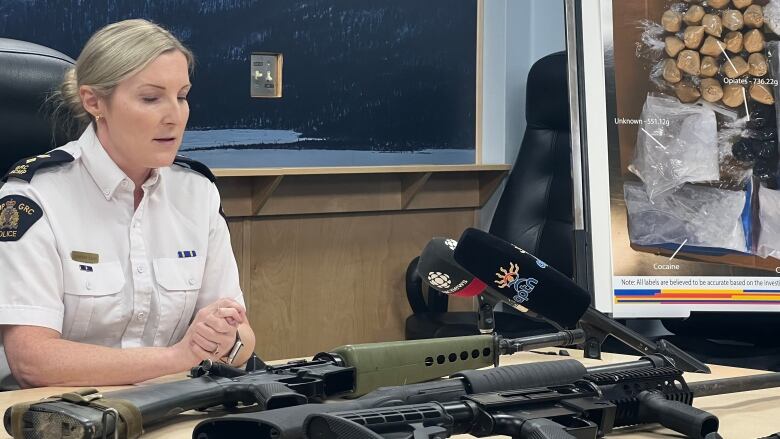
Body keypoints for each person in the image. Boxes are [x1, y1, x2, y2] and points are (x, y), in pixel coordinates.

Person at [0, 19, 255, 389]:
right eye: (151, 98)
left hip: (173, 406)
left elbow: (241, 336)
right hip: (57, 415)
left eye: (182, 96)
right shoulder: (33, 198)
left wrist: (226, 340)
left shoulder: (197, 194)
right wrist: (178, 357)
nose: (175, 116)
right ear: (94, 101)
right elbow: (33, 361)